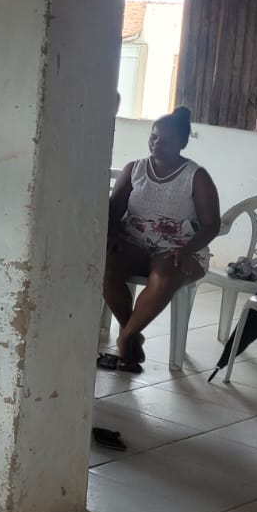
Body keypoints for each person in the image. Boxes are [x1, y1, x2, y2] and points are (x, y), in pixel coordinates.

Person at [99, 107, 220, 373]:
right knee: (105, 266)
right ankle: (132, 334)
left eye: (166, 140)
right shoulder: (134, 169)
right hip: (134, 243)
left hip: (181, 249)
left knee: (164, 277)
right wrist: (112, 235)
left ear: (182, 143)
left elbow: (212, 224)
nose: (157, 144)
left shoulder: (196, 176)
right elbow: (113, 210)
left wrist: (187, 249)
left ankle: (124, 340)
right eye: (154, 137)